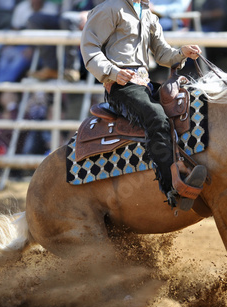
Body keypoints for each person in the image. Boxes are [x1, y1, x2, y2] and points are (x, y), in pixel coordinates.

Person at [80, 0, 207, 210]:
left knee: (187, 104)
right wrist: (113, 72)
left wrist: (181, 53)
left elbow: (162, 54)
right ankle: (172, 187)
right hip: (120, 86)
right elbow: (89, 48)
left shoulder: (148, 14)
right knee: (156, 117)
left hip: (143, 83)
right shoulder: (110, 8)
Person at [27, 0, 103, 82]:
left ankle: (72, 69)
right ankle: (51, 68)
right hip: (65, 18)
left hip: (91, 18)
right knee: (35, 19)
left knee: (67, 19)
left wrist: (91, 13)